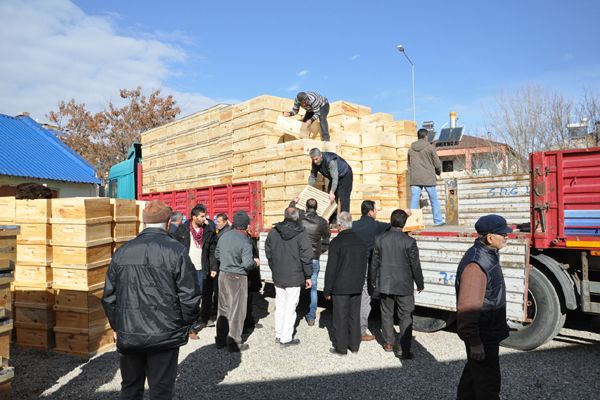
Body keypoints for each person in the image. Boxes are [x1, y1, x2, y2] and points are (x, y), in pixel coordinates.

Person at [102, 200, 201, 399]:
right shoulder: (176, 251)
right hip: (164, 334)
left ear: (143, 224)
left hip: (130, 333)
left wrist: (117, 326)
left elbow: (109, 296)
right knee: (161, 389)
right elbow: (190, 296)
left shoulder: (122, 252)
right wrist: (185, 324)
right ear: (167, 224)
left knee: (130, 386)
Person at [455, 214, 512, 400]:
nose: (507, 237)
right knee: (488, 384)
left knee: (473, 378)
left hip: (488, 331)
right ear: (490, 237)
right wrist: (475, 342)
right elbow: (468, 307)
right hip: (483, 335)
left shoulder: (487, 255)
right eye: (503, 234)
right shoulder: (476, 265)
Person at [370, 209, 424, 359]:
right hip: (404, 284)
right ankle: (404, 349)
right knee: (405, 315)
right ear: (404, 223)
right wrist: (420, 283)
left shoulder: (380, 239)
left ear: (391, 220)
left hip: (385, 283)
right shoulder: (409, 241)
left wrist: (373, 280)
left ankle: (388, 343)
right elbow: (415, 265)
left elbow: (374, 263)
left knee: (386, 313)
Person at [265, 207, 312, 347]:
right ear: (297, 217)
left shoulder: (273, 231)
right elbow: (306, 255)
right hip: (295, 275)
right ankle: (286, 338)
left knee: (280, 305)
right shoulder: (301, 233)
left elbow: (268, 253)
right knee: (290, 307)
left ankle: (279, 334)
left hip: (278, 274)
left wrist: (274, 268)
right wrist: (308, 275)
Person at [323, 212, 367, 355]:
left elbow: (331, 268)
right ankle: (354, 346)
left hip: (340, 287)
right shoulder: (361, 240)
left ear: (340, 225)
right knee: (354, 316)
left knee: (340, 318)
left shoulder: (336, 242)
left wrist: (327, 289)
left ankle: (341, 348)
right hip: (356, 285)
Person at [215, 210, 258, 352]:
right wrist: (255, 263)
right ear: (246, 226)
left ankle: (220, 340)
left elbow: (217, 254)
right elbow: (247, 264)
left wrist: (227, 262)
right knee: (237, 310)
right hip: (238, 277)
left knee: (223, 308)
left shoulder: (223, 236)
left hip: (223, 275)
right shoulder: (245, 241)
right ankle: (234, 342)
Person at [173, 204, 217, 335]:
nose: (205, 218)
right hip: (187, 269)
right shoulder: (182, 230)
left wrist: (213, 267)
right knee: (189, 297)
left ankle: (204, 318)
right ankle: (190, 327)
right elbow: (175, 249)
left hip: (202, 268)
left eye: (205, 216)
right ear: (194, 217)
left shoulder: (208, 230)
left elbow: (212, 250)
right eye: (202, 216)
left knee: (205, 295)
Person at [352, 200, 390, 341]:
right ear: (370, 212)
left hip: (353, 264)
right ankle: (361, 331)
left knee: (354, 295)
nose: (377, 212)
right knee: (365, 296)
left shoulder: (354, 225)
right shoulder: (376, 226)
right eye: (376, 210)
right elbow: (395, 224)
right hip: (367, 264)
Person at [289, 197, 330, 326]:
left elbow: (290, 211)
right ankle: (311, 317)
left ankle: (292, 313)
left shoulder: (300, 217)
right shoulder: (322, 222)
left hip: (300, 258)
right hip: (313, 258)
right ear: (317, 208)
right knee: (313, 288)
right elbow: (327, 238)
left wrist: (293, 201)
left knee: (295, 286)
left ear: (306, 207)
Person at [408, 128, 444, 226]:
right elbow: (437, 163)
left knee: (414, 200)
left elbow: (409, 164)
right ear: (426, 136)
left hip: (415, 178)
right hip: (428, 178)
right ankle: (438, 221)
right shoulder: (430, 147)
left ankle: (412, 223)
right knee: (433, 199)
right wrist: (438, 172)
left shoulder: (411, 149)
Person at [308, 148, 353, 215]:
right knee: (330, 199)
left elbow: (335, 178)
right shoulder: (315, 162)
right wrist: (308, 187)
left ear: (321, 156)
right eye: (313, 159)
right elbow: (313, 176)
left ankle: (345, 223)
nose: (315, 161)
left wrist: (332, 192)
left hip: (345, 175)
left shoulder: (330, 161)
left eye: (316, 159)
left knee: (344, 199)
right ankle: (332, 223)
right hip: (334, 177)